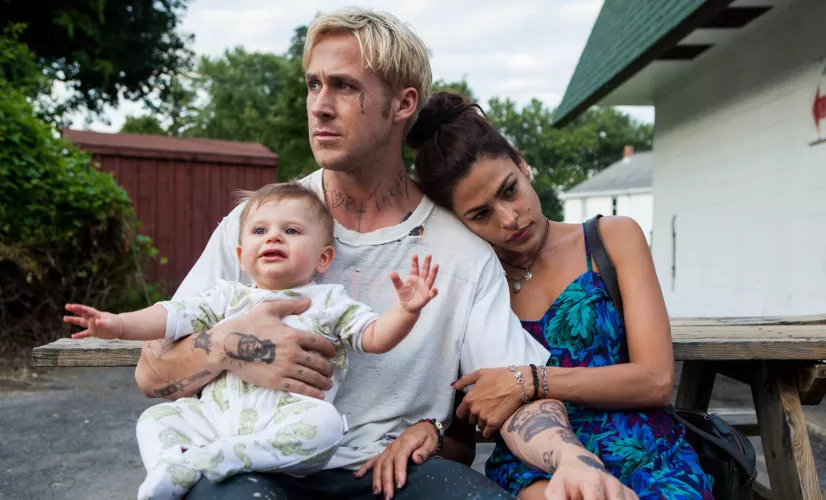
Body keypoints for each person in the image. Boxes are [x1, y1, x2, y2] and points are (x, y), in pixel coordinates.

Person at [134, 7, 636, 500]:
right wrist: (232, 346)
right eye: (314, 84)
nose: (320, 106)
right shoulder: (259, 226)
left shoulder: (462, 253)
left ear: (402, 104)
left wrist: (571, 459)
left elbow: (512, 390)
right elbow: (152, 374)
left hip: (390, 473)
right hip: (251, 464)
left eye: (343, 86)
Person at [407, 91, 715, 500]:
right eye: (481, 214)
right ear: (457, 221)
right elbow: (462, 439)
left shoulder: (612, 239)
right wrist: (420, 433)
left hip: (648, 453)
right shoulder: (471, 287)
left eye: (509, 190)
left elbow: (655, 380)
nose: (509, 218)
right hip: (534, 470)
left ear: (523, 165)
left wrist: (529, 381)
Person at [64, 182, 441, 499]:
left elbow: (373, 337)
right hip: (215, 419)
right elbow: (170, 316)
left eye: (291, 231)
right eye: (260, 231)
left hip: (286, 421)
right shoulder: (227, 298)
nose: (273, 236)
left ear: (324, 258)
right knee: (155, 418)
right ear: (242, 257)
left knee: (327, 425)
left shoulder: (329, 302)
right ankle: (171, 467)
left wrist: (406, 311)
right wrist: (118, 324)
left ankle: (227, 457)